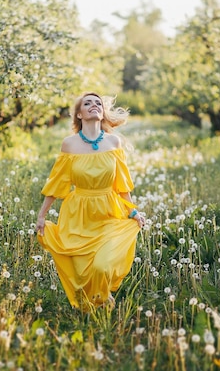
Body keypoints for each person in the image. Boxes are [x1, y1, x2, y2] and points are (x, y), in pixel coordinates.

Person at [36, 92, 145, 311]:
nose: (94, 105)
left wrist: (132, 211)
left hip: (108, 212)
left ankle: (102, 300)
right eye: (87, 103)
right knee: (81, 268)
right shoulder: (69, 144)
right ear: (79, 113)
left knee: (102, 265)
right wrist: (42, 215)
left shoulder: (113, 142)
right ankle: (95, 309)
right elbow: (57, 182)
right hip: (79, 214)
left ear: (103, 112)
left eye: (98, 103)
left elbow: (121, 185)